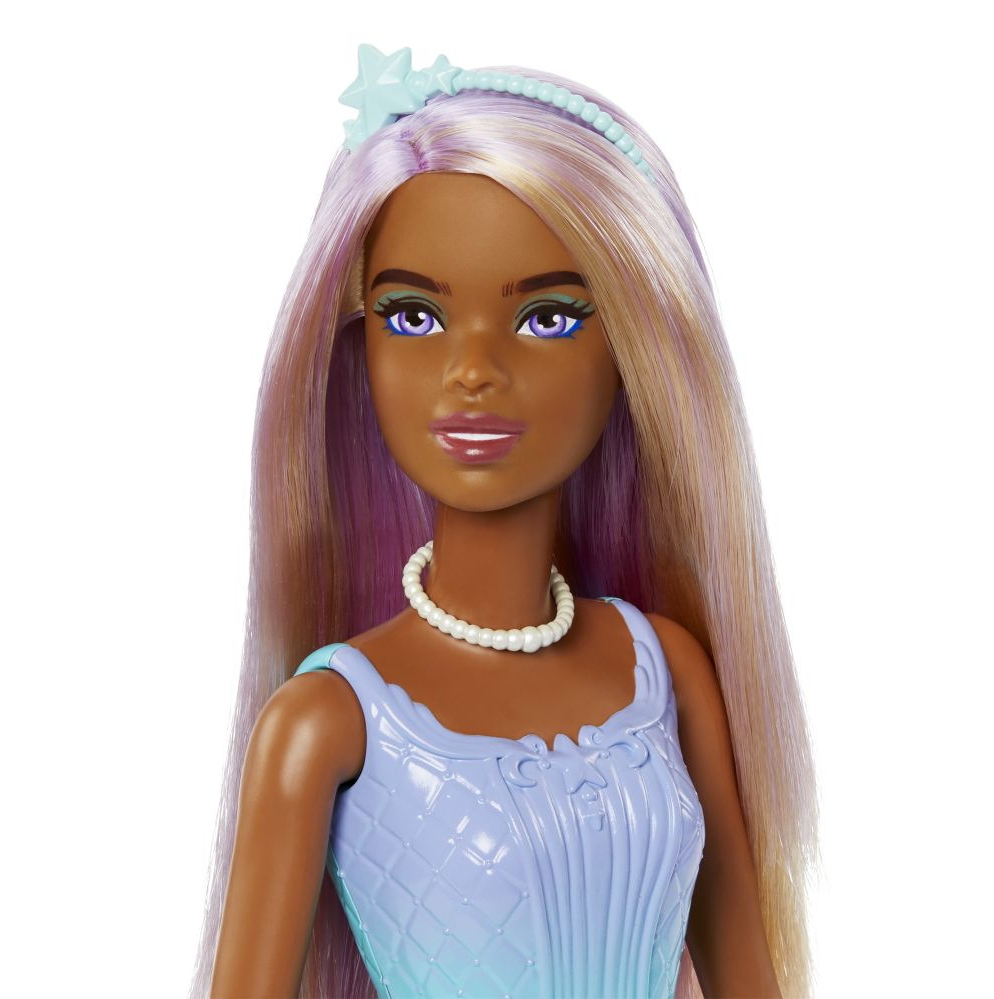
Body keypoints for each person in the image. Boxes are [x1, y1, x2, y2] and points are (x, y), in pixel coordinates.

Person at [190, 45, 818, 999]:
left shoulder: (666, 671)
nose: (473, 371)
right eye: (412, 316)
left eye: (549, 317)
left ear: (637, 348)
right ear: (358, 350)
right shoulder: (327, 721)